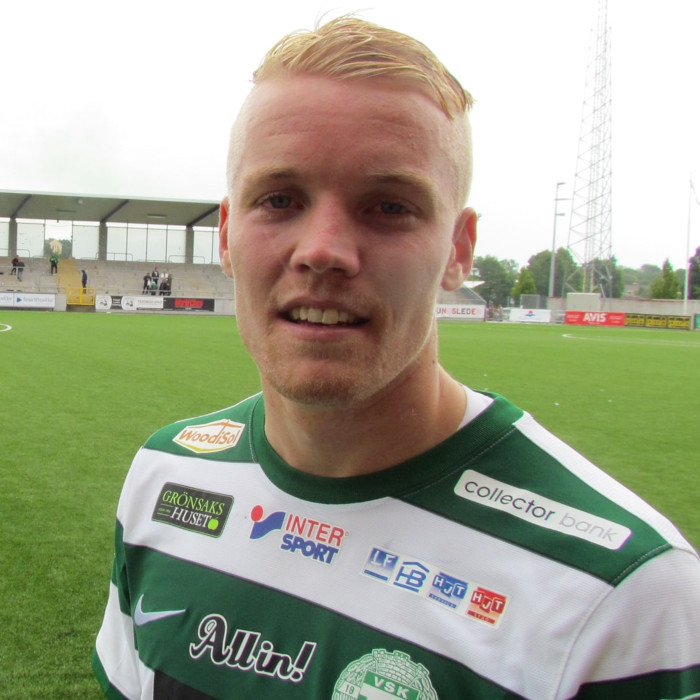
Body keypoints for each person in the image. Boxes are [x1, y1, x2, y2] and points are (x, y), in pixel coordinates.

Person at [92, 16, 700, 700]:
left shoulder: (621, 596)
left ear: (459, 250)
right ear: (227, 235)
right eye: (279, 199)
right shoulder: (165, 480)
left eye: (388, 206)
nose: (323, 250)